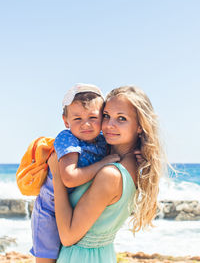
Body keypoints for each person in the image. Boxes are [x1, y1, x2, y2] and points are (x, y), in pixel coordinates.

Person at [48, 85, 165, 263]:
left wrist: (57, 174)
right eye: (106, 116)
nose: (109, 125)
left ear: (140, 126)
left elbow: (68, 236)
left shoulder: (110, 174)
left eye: (121, 118)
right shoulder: (134, 164)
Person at [30, 83, 121, 263]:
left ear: (102, 119)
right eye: (77, 118)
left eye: (93, 117)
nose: (85, 124)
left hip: (71, 209)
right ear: (66, 121)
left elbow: (119, 156)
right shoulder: (67, 138)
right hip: (49, 211)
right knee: (47, 260)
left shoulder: (103, 141)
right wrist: (103, 163)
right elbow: (70, 179)